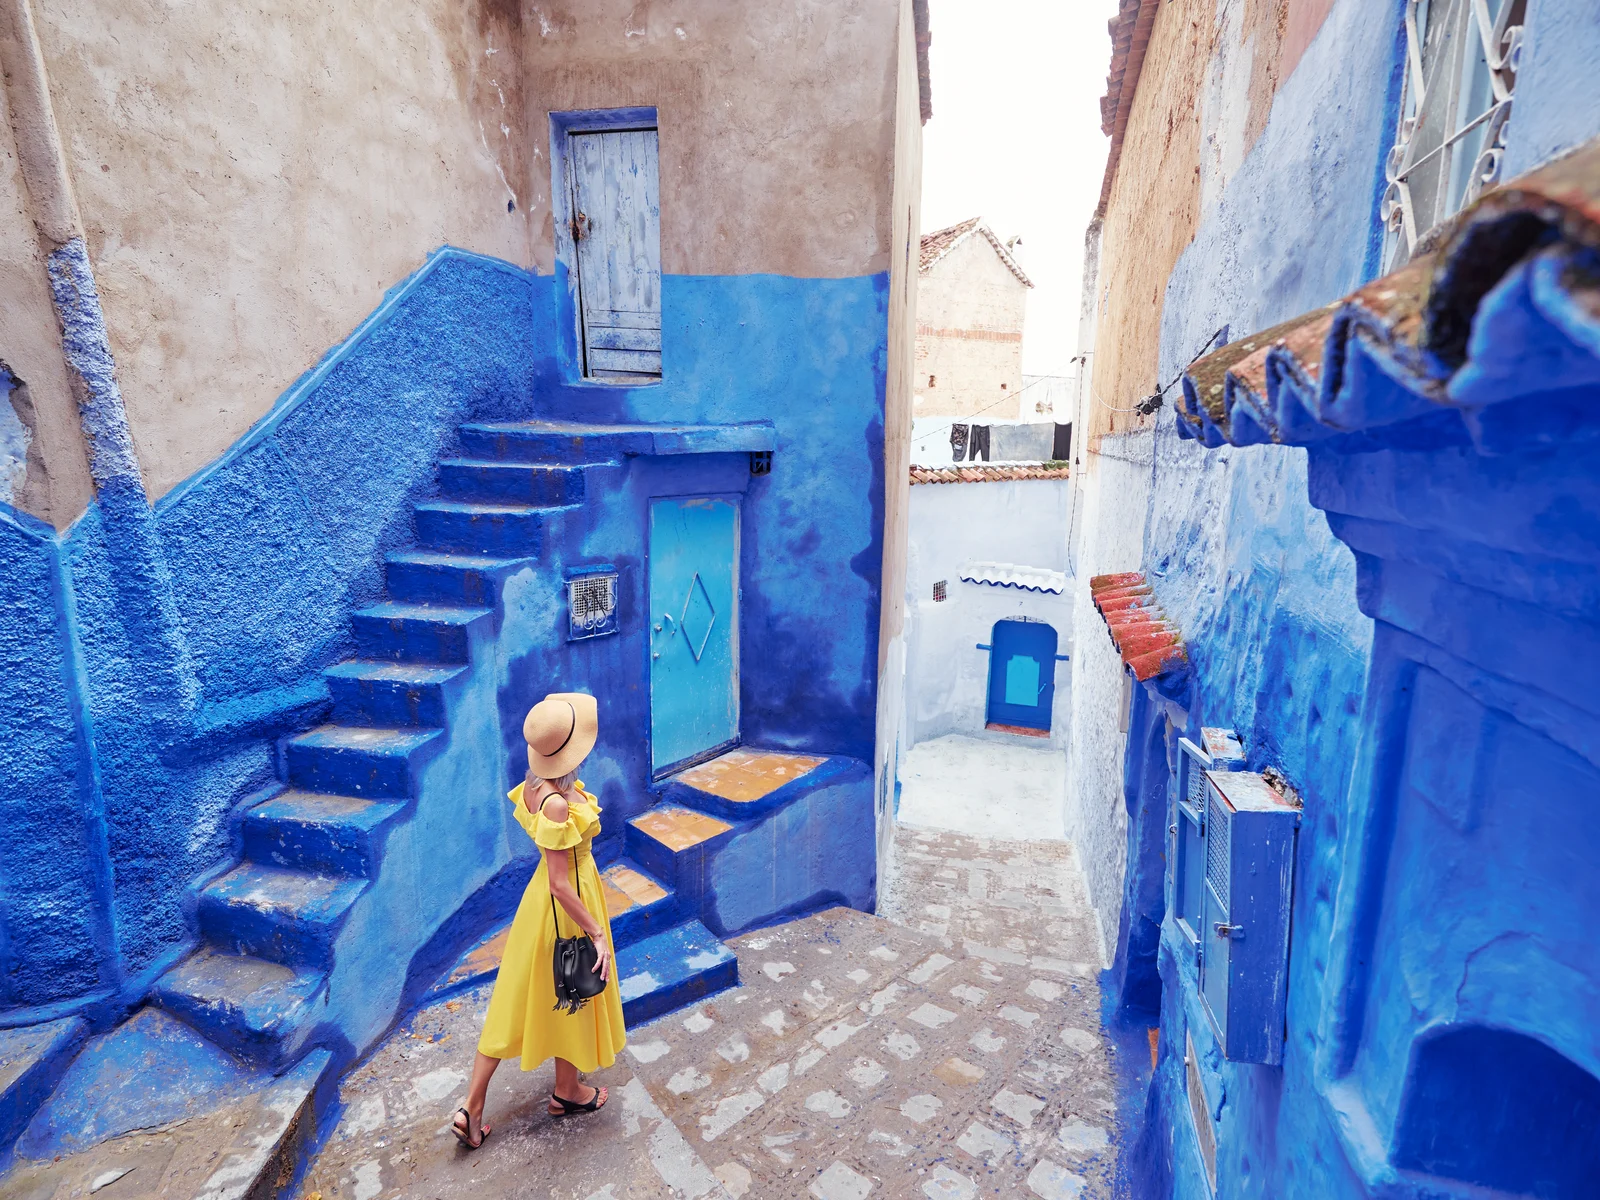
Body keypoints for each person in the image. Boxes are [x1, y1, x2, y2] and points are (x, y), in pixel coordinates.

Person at [451, 692, 627, 1148]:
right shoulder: (555, 804)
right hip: (564, 909)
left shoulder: (534, 785)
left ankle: (477, 1105)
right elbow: (561, 883)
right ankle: (565, 1091)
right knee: (575, 987)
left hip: (538, 909)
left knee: (516, 1001)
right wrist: (596, 932)